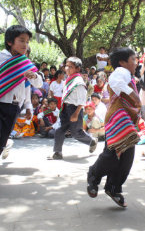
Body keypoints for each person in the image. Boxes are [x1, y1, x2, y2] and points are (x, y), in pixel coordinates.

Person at [87, 47, 141, 208]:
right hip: (118, 118)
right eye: (134, 60)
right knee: (112, 154)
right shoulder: (121, 72)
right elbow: (116, 83)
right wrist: (133, 95)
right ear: (123, 62)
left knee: (126, 158)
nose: (136, 63)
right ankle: (94, 176)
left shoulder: (128, 74)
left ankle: (113, 187)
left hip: (125, 119)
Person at [0, 25, 42, 159]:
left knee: (2, 139)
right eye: (22, 40)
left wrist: (34, 76)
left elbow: (35, 84)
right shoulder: (2, 58)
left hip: (14, 107)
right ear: (10, 42)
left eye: (27, 41)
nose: (25, 45)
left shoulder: (25, 63)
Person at [49, 57, 97, 160]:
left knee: (76, 133)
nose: (67, 68)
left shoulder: (78, 82)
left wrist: (76, 113)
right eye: (66, 66)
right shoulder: (68, 78)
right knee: (59, 129)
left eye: (70, 67)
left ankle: (91, 141)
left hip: (75, 109)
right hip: (66, 108)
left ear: (78, 69)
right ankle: (57, 152)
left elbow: (82, 100)